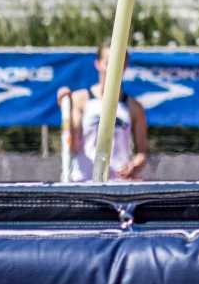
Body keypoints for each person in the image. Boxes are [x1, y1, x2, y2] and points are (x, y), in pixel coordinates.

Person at [57, 42, 148, 182]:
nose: (114, 68)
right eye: (108, 63)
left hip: (118, 187)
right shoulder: (80, 100)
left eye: (119, 63)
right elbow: (73, 144)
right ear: (98, 64)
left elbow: (142, 153)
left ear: (125, 65)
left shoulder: (134, 107)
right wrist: (66, 109)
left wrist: (133, 166)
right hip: (85, 183)